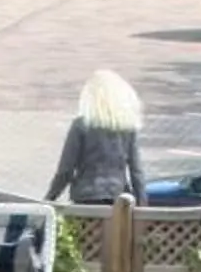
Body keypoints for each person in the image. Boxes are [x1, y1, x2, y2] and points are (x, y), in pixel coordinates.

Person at [45, 70, 147, 205]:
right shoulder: (127, 127)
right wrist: (142, 204)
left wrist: (49, 198)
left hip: (86, 197)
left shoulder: (81, 125)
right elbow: (136, 171)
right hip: (118, 198)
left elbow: (66, 170)